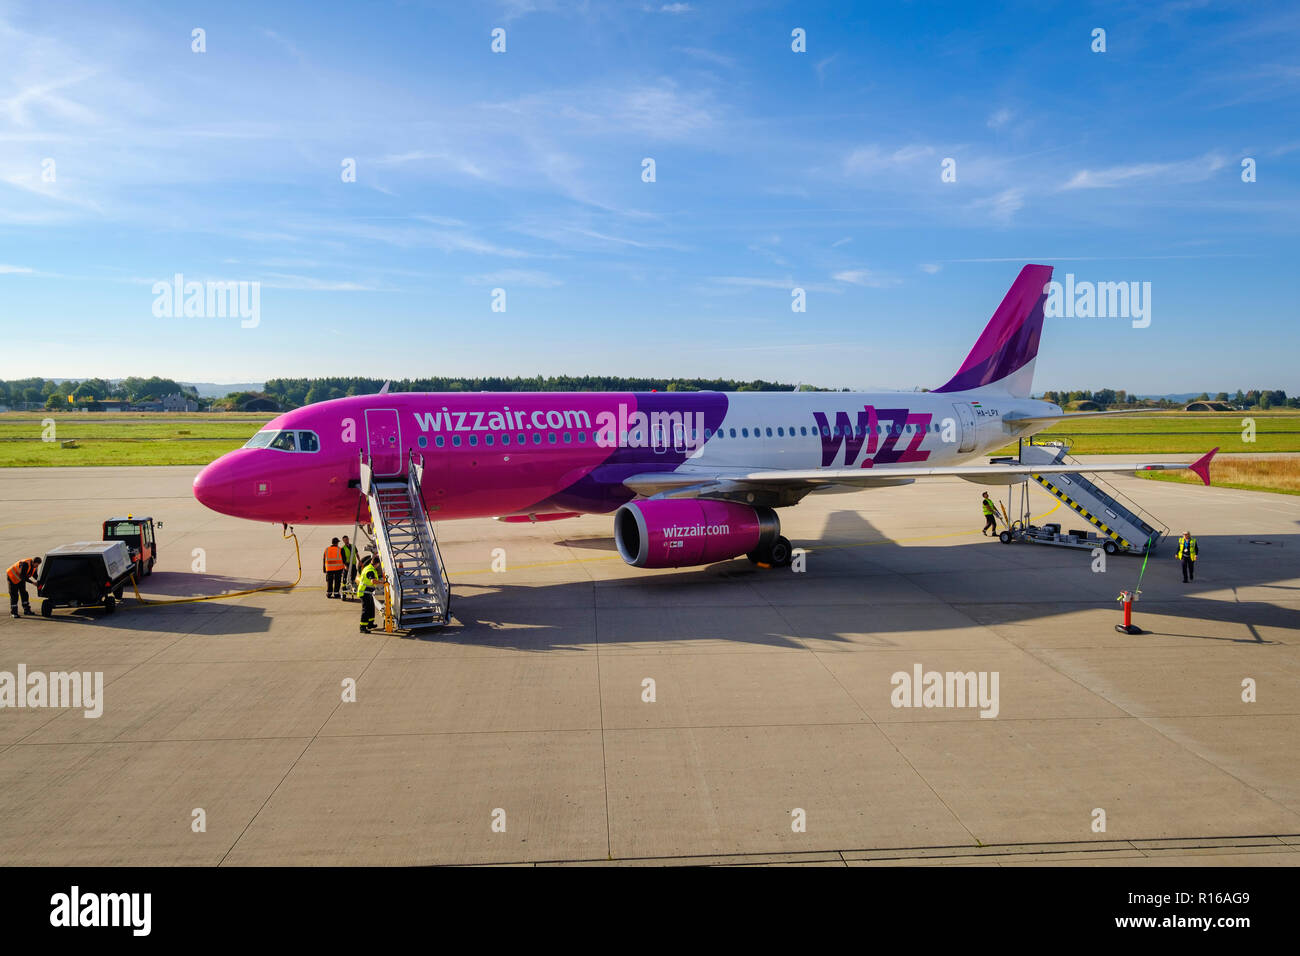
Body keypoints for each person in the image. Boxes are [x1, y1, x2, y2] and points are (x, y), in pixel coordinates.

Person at [356, 556, 380, 633]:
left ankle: (370, 624)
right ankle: (362, 627)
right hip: (364, 592)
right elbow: (373, 581)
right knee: (366, 610)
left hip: (368, 592)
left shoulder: (368, 567)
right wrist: (383, 583)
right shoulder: (370, 570)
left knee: (371, 608)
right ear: (377, 564)